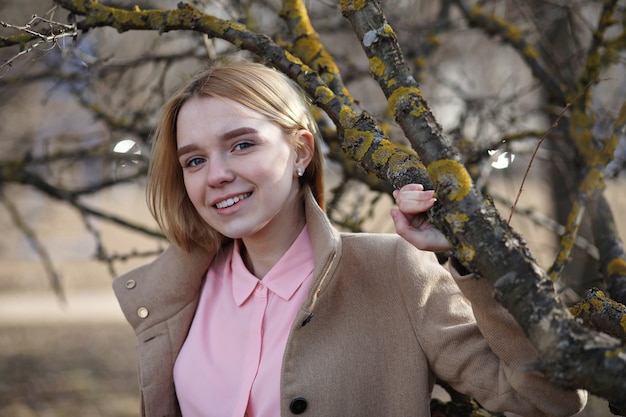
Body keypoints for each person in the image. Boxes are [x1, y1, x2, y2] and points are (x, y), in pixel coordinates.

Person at [113, 60, 586, 417]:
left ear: (300, 151)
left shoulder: (393, 271)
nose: (216, 175)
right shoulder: (176, 295)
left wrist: (474, 255)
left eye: (241, 144)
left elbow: (550, 399)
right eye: (194, 160)